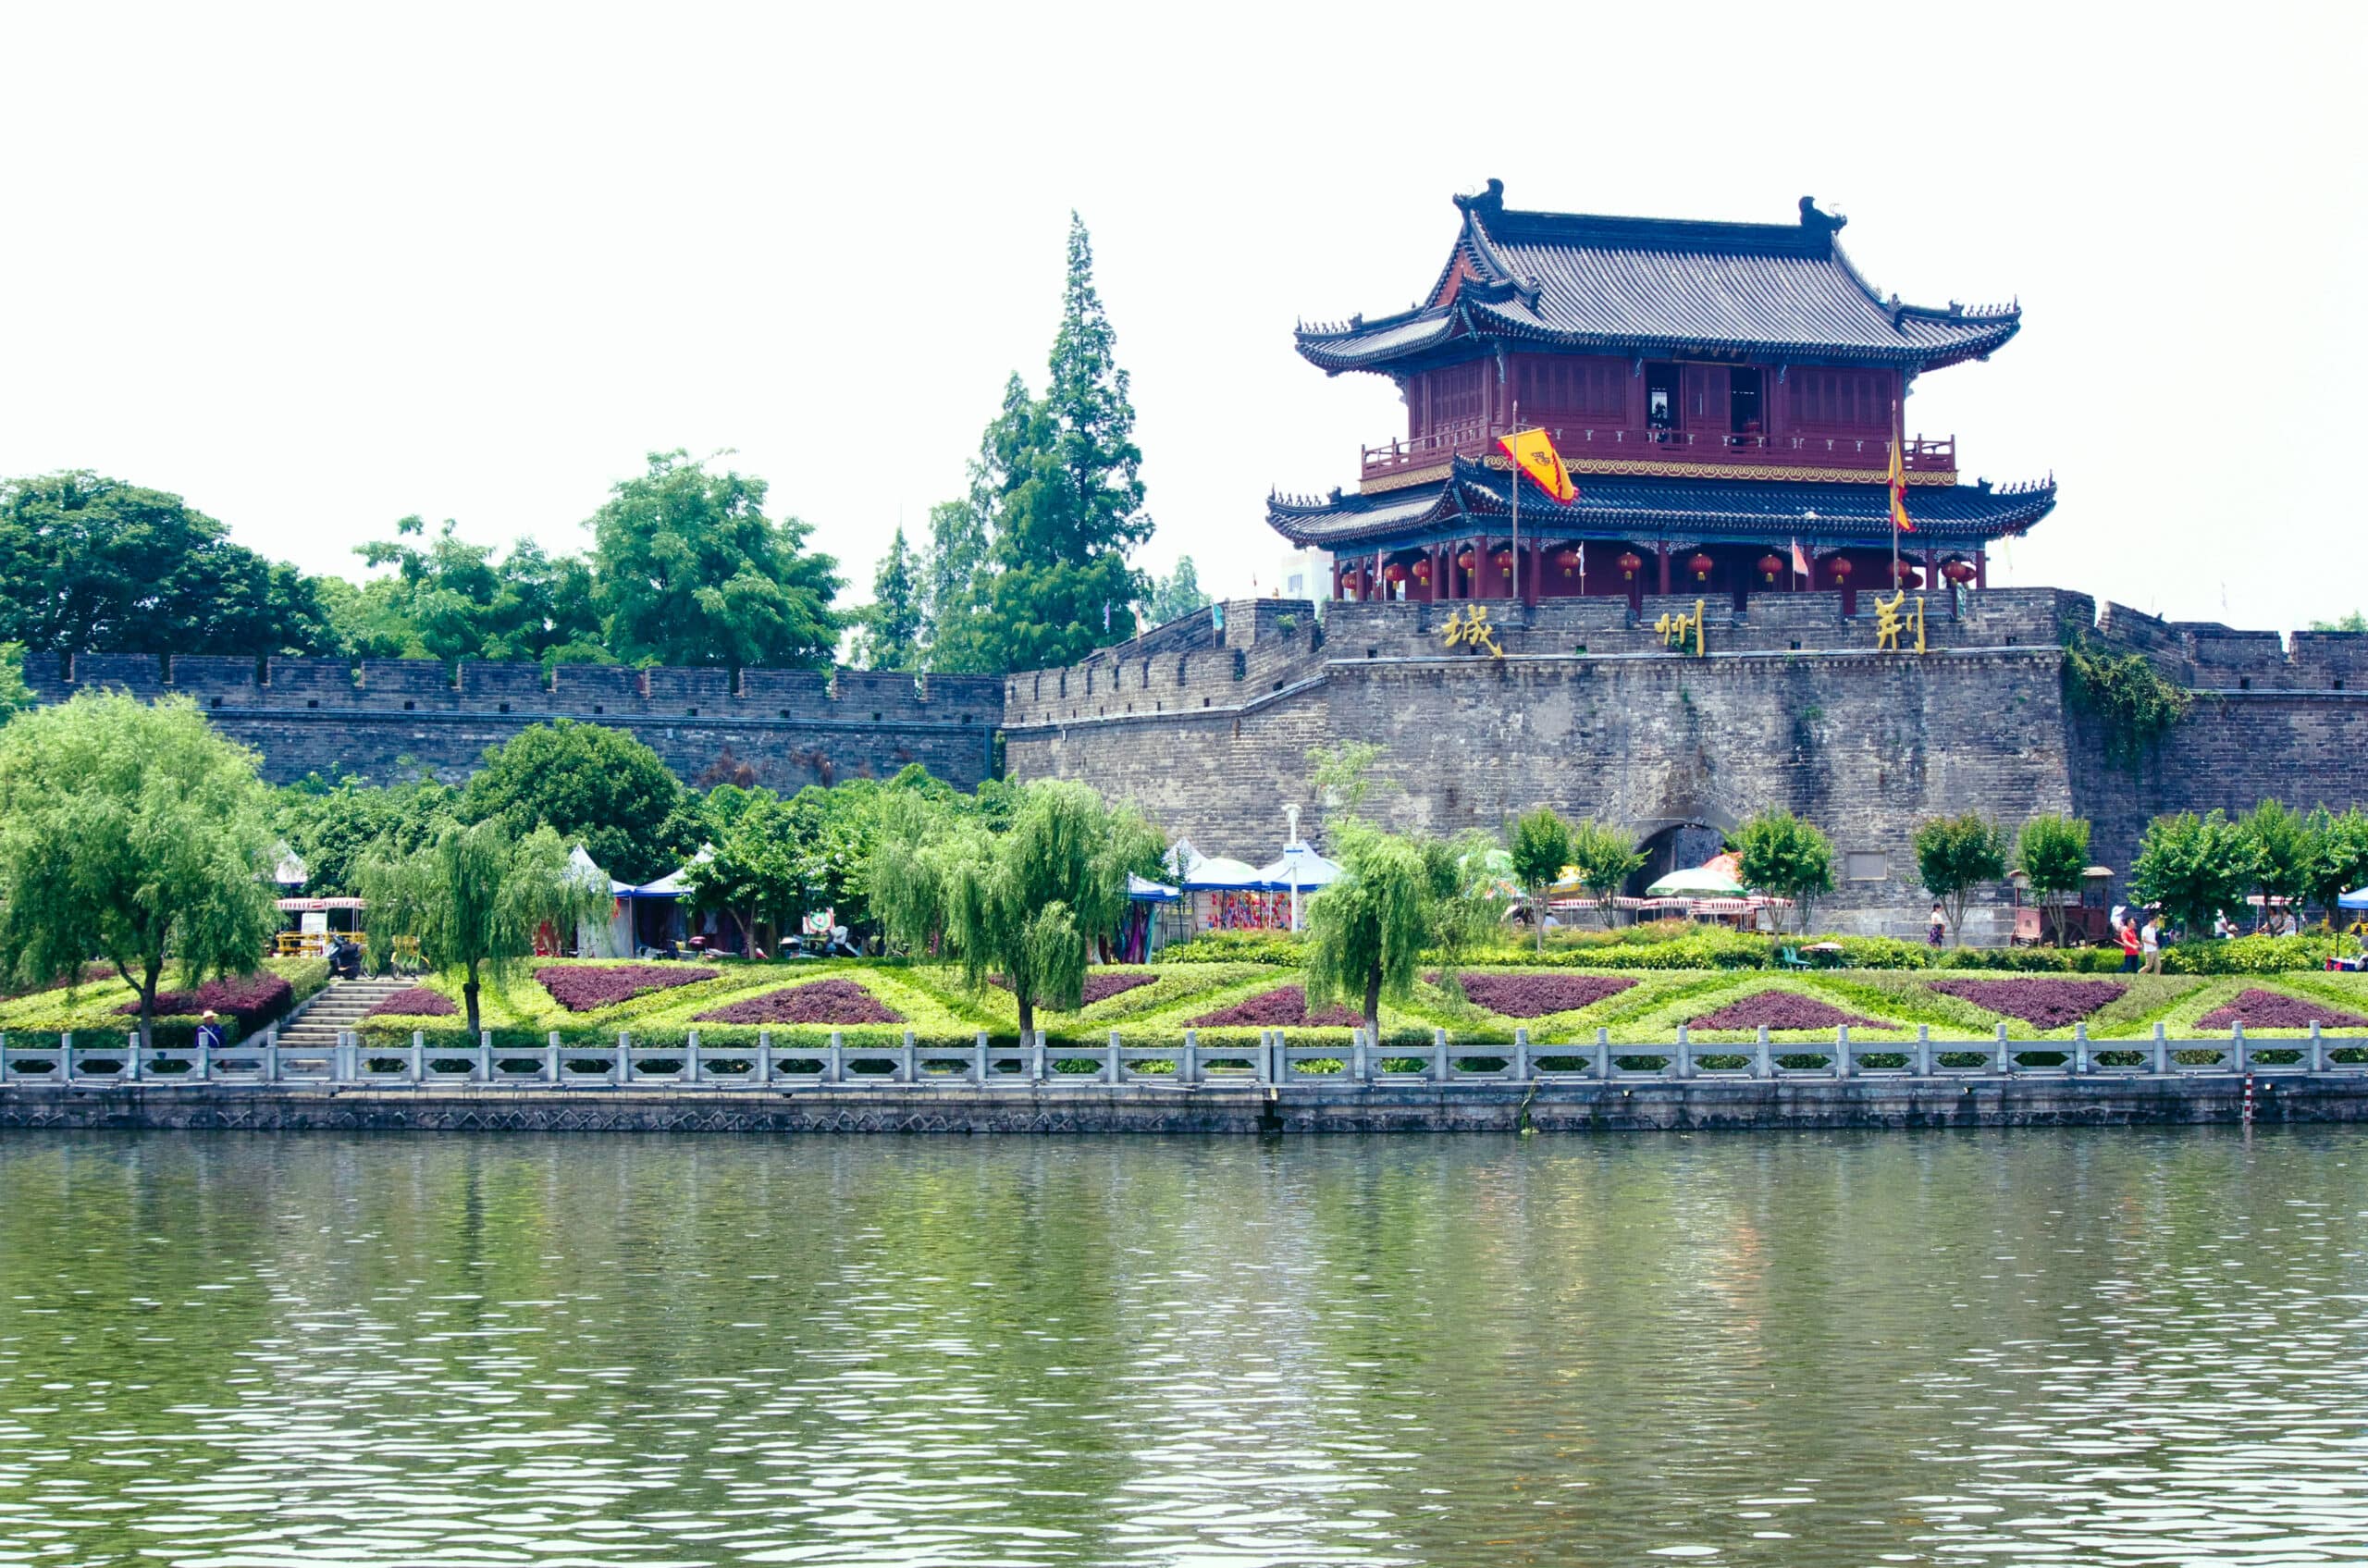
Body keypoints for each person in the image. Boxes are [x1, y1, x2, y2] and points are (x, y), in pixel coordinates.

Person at [2140, 909, 2164, 975]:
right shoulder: (2145, 929)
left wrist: (2155, 942)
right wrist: (2152, 943)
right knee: (2148, 966)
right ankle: (2139, 973)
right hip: (2149, 950)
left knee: (2158, 965)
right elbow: (2143, 939)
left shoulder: (2153, 929)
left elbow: (2153, 938)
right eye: (2155, 922)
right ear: (2151, 921)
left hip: (2155, 949)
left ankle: (2156, 977)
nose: (2156, 924)